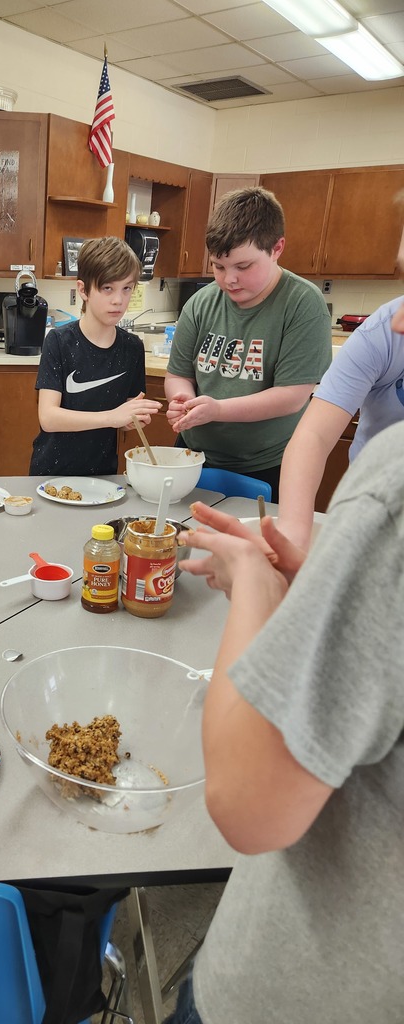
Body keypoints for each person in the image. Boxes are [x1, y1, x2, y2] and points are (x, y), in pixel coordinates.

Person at [165, 270, 404, 1024]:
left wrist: (256, 587)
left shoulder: (394, 493)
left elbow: (246, 806)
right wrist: (320, 586)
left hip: (312, 990)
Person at [164, 186, 332, 501]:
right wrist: (183, 401)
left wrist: (216, 410)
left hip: (266, 465)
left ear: (277, 248)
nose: (229, 279)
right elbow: (178, 375)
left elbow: (291, 397)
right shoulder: (201, 303)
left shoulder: (303, 303)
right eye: (218, 266)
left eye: (243, 267)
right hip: (192, 457)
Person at [278, 219, 404, 547]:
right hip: (373, 510)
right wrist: (292, 536)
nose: (401, 319)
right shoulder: (381, 332)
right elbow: (314, 436)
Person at [29, 235, 161, 476]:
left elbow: (127, 414)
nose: (118, 300)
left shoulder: (133, 347)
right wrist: (112, 417)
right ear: (83, 290)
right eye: (107, 288)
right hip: (51, 474)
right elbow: (48, 417)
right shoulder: (58, 341)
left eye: (127, 288)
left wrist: (133, 420)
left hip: (104, 476)